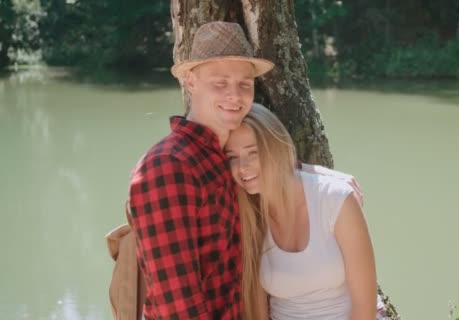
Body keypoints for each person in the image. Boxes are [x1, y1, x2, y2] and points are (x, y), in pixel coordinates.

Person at [127, 21, 273, 320]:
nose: (235, 95)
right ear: (191, 82)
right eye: (220, 83)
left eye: (245, 84)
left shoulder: (222, 155)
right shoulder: (169, 166)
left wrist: (324, 181)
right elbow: (178, 307)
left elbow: (277, 164)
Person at [224, 103, 378, 319]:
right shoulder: (248, 215)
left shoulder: (335, 199)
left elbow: (365, 307)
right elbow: (258, 306)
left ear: (277, 148)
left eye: (254, 153)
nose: (242, 167)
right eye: (232, 157)